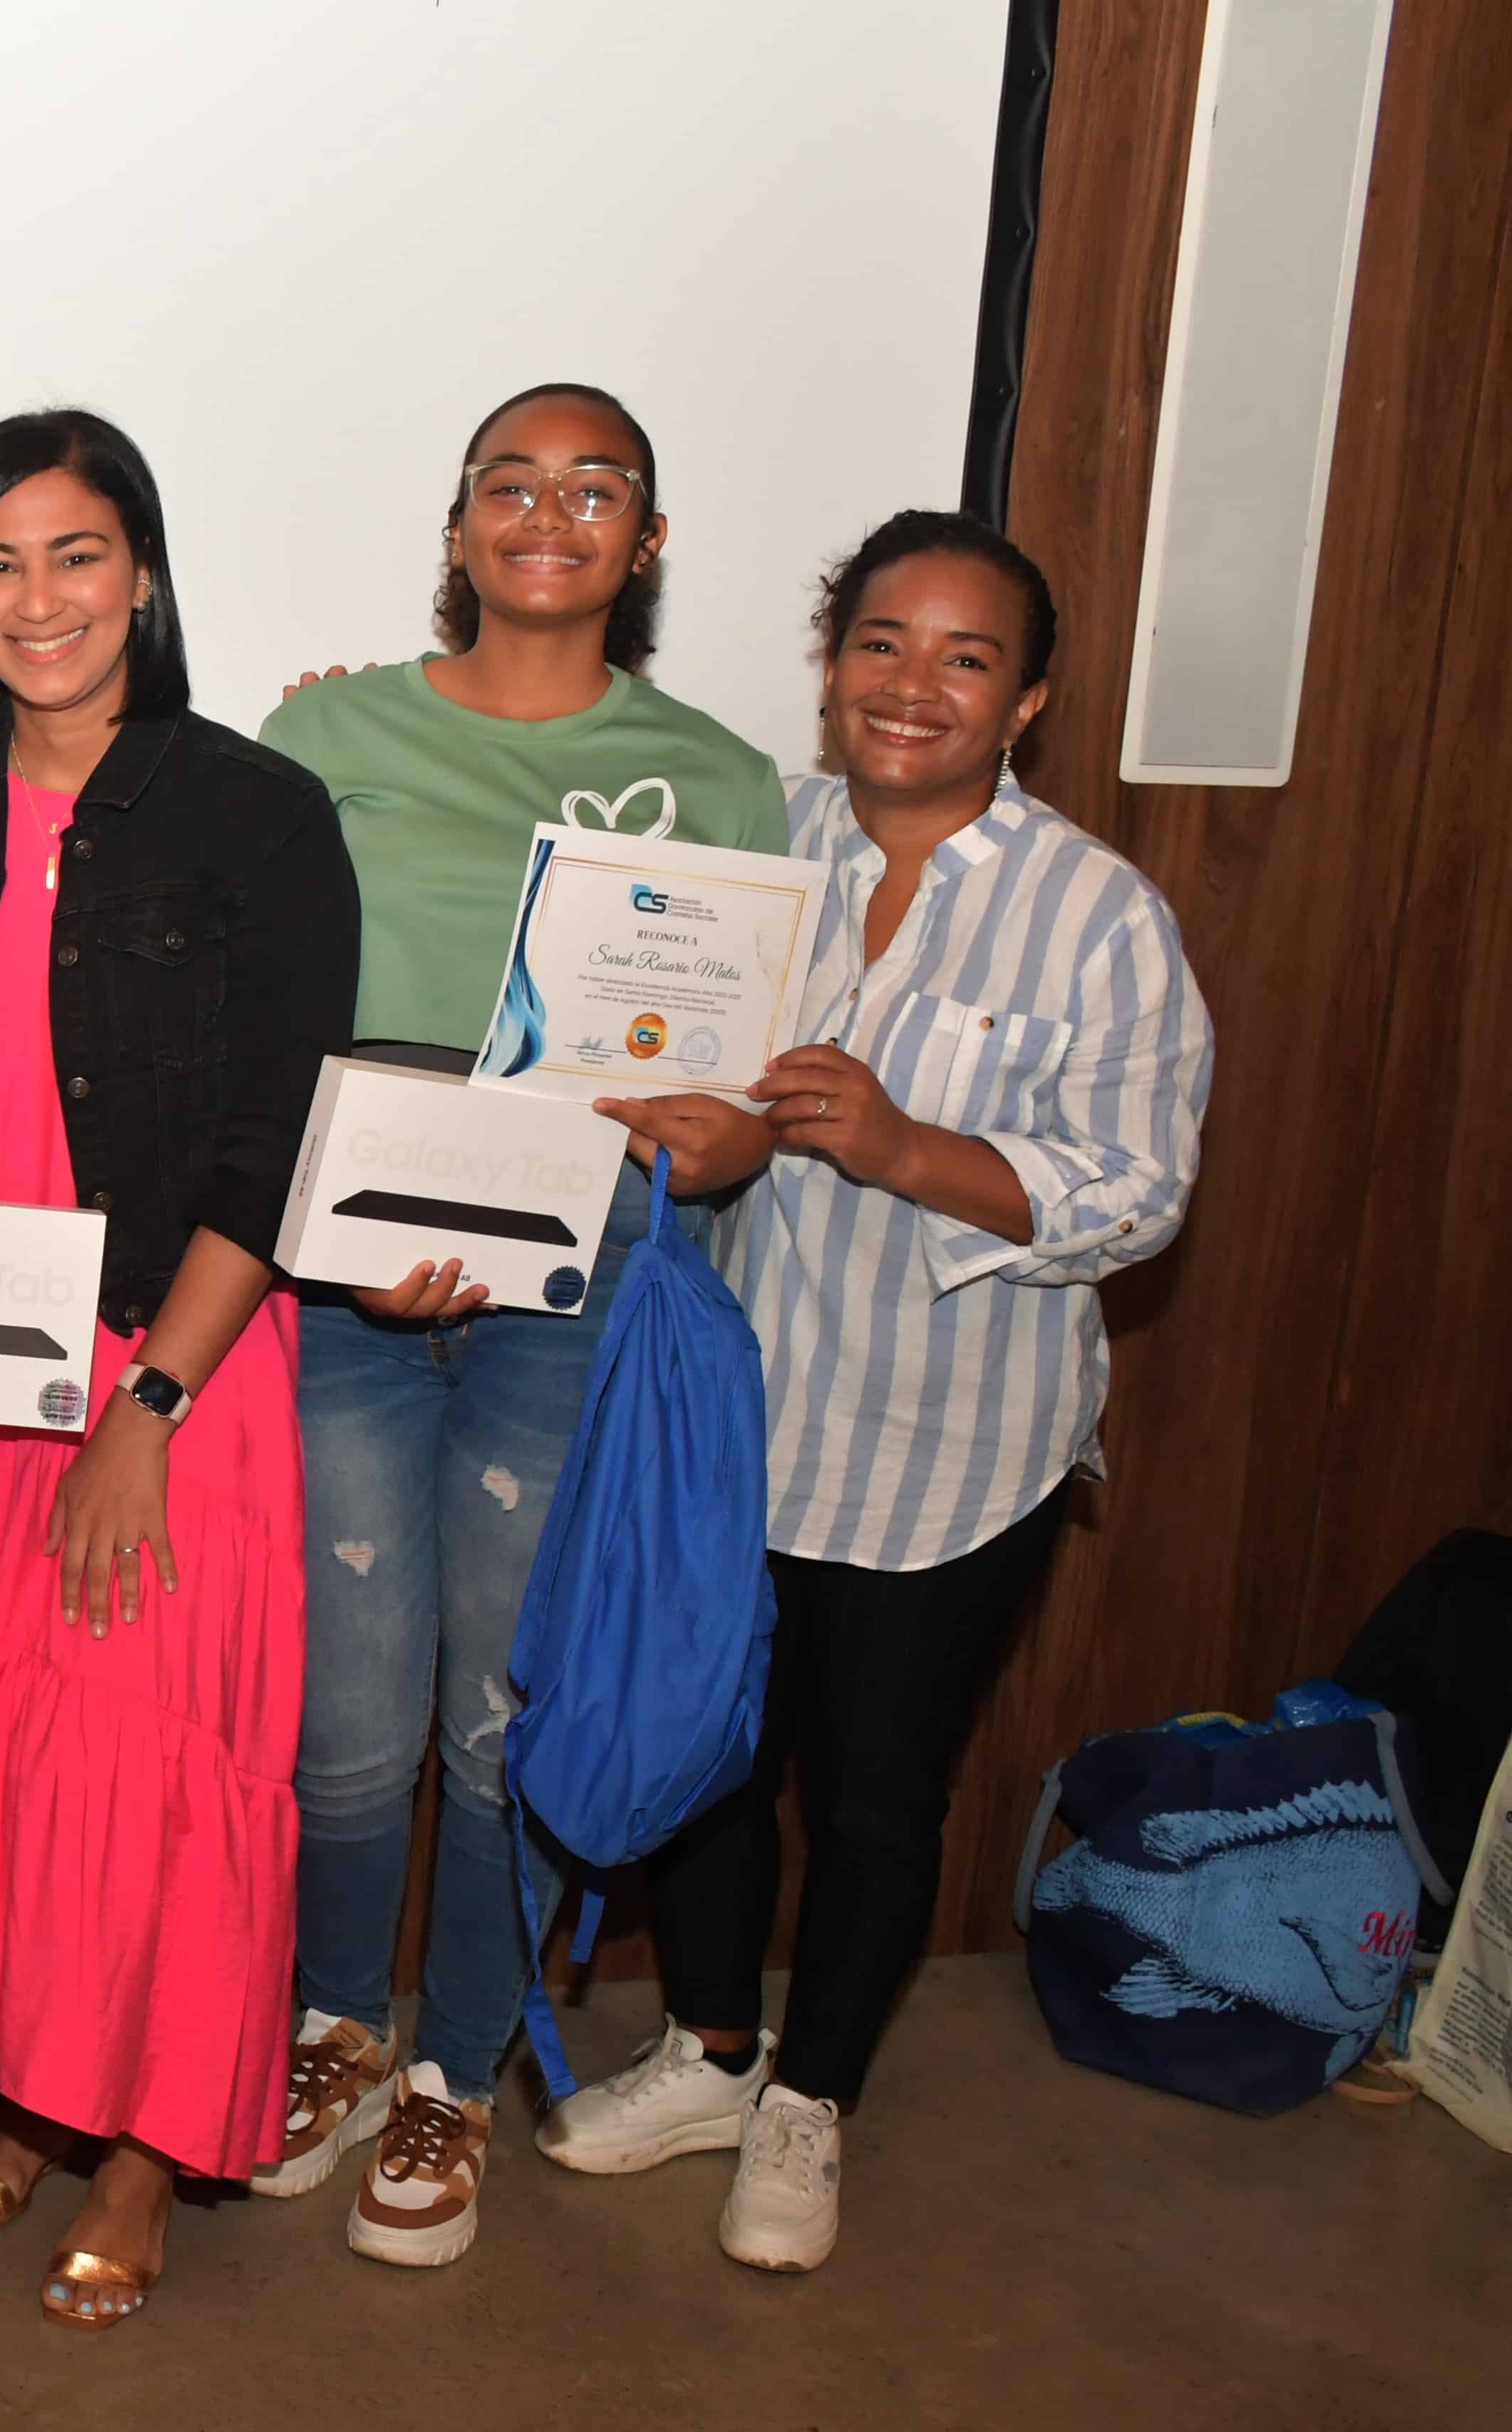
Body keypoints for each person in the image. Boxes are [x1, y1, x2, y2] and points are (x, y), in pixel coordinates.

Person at [535, 511, 1209, 2271]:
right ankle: (706, 2048)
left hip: (953, 1442)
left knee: (880, 1795)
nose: (915, 687)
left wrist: (913, 1148)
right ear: (833, 669)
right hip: (738, 1415)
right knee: (704, 1756)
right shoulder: (755, 844)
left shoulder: (1098, 917)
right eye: (882, 644)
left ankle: (810, 2100)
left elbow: (1141, 1192)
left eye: (966, 658)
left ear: (1029, 700)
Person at [0, 408, 357, 2328]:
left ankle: (147, 2142)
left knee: (152, 1760)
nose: (38, 600)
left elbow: (273, 1147)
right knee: (12, 1750)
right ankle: (49, 2102)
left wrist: (148, 1410)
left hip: (175, 1359)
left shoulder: (252, 810)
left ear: (141, 572)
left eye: (76, 554)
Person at [249, 381, 783, 2269]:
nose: (548, 512)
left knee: (495, 1725)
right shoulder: (325, 729)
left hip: (577, 1303)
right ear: (459, 523)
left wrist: (716, 1137)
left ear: (641, 542)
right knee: (344, 1723)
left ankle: (452, 2072)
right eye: (509, 483)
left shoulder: (718, 780)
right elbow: (253, 1003)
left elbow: (717, 1108)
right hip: (350, 1289)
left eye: (595, 488)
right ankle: (333, 2031)